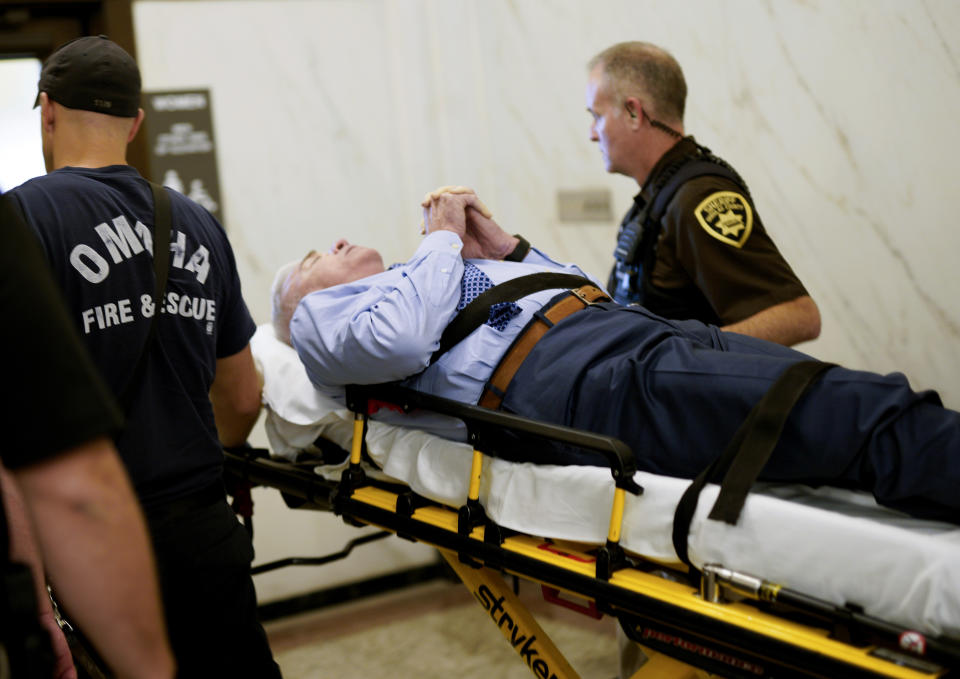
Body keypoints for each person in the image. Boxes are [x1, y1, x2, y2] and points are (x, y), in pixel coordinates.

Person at [278, 188, 958, 525]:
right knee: (835, 409)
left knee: (825, 388)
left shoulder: (419, 276)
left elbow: (581, 290)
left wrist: (509, 249)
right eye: (312, 259)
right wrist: (443, 239)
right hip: (575, 376)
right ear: (298, 308)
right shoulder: (323, 324)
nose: (334, 240)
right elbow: (399, 342)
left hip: (616, 326)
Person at [5, 36, 281, 677]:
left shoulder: (19, 224)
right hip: (204, 534)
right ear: (135, 122)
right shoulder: (197, 222)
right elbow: (242, 398)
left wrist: (33, 598)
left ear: (47, 111)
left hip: (91, 550)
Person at [0, 191, 174, 678]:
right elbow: (71, 487)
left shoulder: (28, 212)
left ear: (49, 114)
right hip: (191, 518)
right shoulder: (191, 217)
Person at [586, 41, 821, 346]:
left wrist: (680, 355)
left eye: (597, 116)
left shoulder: (700, 198)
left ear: (633, 112)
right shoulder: (659, 197)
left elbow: (798, 317)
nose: (592, 133)